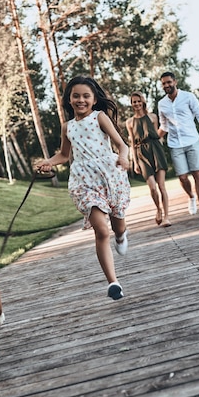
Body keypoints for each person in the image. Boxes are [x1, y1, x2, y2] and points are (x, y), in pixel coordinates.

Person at [37, 76, 130, 300]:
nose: (81, 100)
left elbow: (121, 145)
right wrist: (49, 162)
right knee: (101, 230)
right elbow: (64, 154)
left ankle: (121, 235)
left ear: (94, 98)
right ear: (69, 99)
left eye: (86, 96)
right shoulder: (67, 127)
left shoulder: (100, 117)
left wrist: (124, 157)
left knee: (118, 223)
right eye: (76, 96)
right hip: (84, 182)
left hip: (110, 176)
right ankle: (113, 282)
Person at [157, 71, 199, 219]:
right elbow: (164, 127)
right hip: (175, 144)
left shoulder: (188, 97)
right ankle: (191, 196)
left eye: (169, 82)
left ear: (175, 82)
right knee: (182, 177)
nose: (167, 85)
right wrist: (150, 138)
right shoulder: (162, 104)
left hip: (192, 140)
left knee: (197, 174)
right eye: (164, 83)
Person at [125, 91, 171, 227]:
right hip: (141, 154)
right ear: (131, 104)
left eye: (139, 101)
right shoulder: (130, 122)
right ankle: (158, 210)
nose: (137, 104)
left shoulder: (152, 117)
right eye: (134, 101)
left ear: (143, 102)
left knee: (161, 186)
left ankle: (167, 217)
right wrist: (135, 162)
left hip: (156, 150)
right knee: (152, 187)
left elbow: (158, 134)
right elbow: (132, 144)